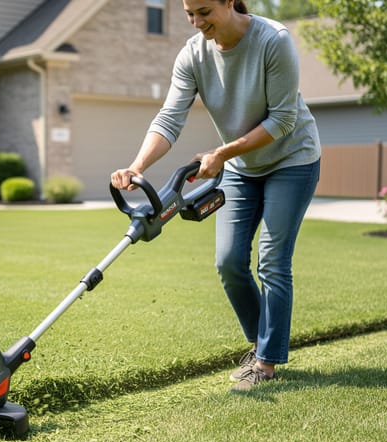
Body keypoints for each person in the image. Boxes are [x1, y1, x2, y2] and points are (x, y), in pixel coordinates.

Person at [110, 0, 321, 390]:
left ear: (229, 1)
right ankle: (262, 346)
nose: (196, 22)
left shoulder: (273, 40)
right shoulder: (192, 55)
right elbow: (170, 118)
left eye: (204, 12)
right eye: (189, 14)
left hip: (292, 159)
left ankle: (266, 364)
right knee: (228, 262)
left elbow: (283, 118)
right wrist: (138, 166)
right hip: (242, 168)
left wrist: (221, 153)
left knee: (272, 260)